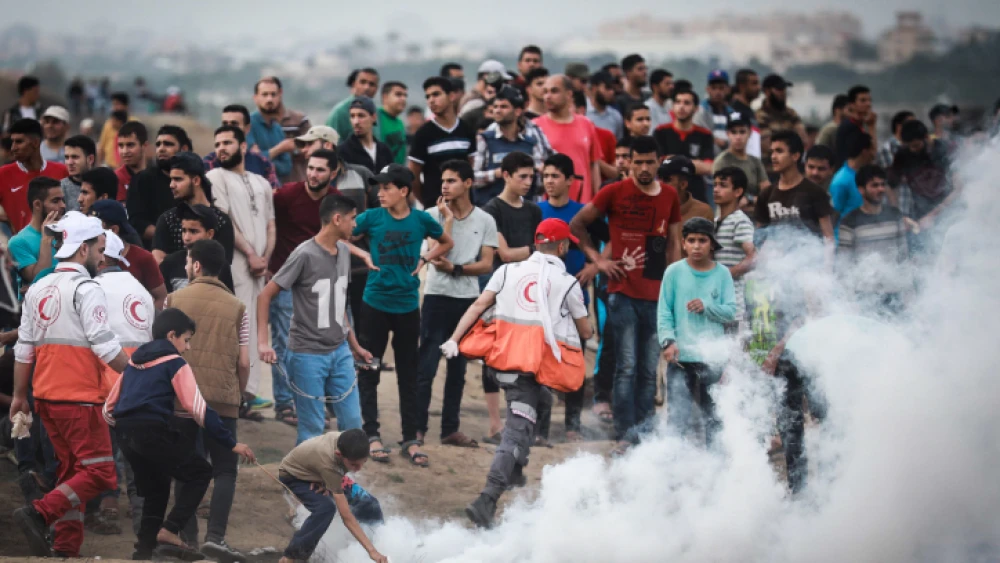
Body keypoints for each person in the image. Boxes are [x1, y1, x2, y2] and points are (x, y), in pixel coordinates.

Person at [443, 219, 592, 528]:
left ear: (536, 244)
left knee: (544, 401)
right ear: (562, 247)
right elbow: (586, 329)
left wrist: (454, 340)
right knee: (515, 431)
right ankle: (487, 499)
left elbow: (477, 305)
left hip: (500, 367)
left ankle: (515, 469)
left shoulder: (507, 270)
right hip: (526, 371)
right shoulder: (567, 283)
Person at [11, 212, 130, 558]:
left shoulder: (38, 288)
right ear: (83, 250)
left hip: (45, 398)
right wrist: (138, 371)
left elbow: (23, 347)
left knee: (71, 473)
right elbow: (105, 345)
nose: (101, 257)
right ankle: (40, 513)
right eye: (98, 249)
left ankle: (65, 546)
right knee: (103, 473)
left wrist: (20, 396)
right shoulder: (86, 289)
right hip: (80, 399)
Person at [103, 308, 255, 560]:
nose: (187, 348)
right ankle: (170, 530)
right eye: (186, 340)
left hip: (126, 435)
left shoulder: (133, 361)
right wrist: (231, 443)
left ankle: (143, 552)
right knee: (201, 472)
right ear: (172, 335)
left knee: (157, 488)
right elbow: (197, 408)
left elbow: (108, 409)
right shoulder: (175, 362)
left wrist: (124, 430)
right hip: (152, 431)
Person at [570, 135, 683, 454]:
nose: (644, 168)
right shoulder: (614, 191)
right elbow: (578, 224)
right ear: (629, 162)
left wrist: (674, 286)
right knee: (628, 365)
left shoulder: (670, 195)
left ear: (659, 162)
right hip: (620, 291)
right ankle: (624, 433)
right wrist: (599, 260)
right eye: (638, 161)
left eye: (650, 161)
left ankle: (643, 433)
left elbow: (674, 242)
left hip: (657, 292)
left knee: (650, 368)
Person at [352, 164, 454, 466]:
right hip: (374, 304)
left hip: (408, 307)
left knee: (409, 375)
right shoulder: (370, 217)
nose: (379, 193)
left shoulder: (421, 221)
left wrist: (424, 257)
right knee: (369, 370)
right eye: (378, 187)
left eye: (386, 188)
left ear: (404, 191)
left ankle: (410, 438)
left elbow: (447, 242)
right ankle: (371, 435)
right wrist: (363, 254)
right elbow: (339, 235)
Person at [163, 239, 250, 561]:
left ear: (196, 265)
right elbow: (244, 362)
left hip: (181, 400)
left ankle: (187, 538)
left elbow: (162, 350)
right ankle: (216, 537)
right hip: (223, 401)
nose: (186, 265)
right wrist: (237, 397)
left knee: (187, 468)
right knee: (225, 469)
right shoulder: (238, 306)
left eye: (188, 261)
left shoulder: (173, 300)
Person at [258, 194, 370, 444]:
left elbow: (338, 303)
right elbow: (265, 296)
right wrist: (263, 343)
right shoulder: (304, 254)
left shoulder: (343, 250)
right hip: (307, 355)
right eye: (352, 219)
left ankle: (345, 479)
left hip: (340, 352)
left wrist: (354, 345)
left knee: (352, 423)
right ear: (337, 218)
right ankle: (303, 481)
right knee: (312, 428)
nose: (355, 225)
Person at [416, 160, 498, 447]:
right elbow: (434, 258)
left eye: (451, 181)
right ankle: (417, 429)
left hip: (467, 301)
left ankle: (450, 429)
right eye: (443, 181)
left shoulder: (485, 220)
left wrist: (458, 269)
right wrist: (446, 221)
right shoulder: (431, 216)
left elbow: (487, 263)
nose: (444, 186)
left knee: (458, 369)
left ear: (468, 183)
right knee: (426, 365)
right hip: (437, 297)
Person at [206, 126, 275, 411]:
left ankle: (248, 393)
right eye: (217, 143)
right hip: (235, 265)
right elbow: (222, 220)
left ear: (243, 146)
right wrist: (249, 253)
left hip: (258, 268)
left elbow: (271, 224)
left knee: (257, 327)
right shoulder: (214, 177)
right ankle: (230, 394)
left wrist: (265, 258)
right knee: (235, 328)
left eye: (227, 142)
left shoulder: (261, 182)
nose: (221, 148)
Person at [538, 154, 603, 441]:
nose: (549, 181)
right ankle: (540, 428)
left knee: (574, 362)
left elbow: (607, 239)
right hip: (541, 301)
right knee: (540, 364)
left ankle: (573, 426)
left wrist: (595, 265)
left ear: (569, 180)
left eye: (555, 176)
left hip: (576, 300)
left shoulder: (583, 212)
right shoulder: (535, 210)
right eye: (545, 176)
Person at [481, 152, 544, 441]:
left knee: (526, 354)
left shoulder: (533, 210)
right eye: (523, 176)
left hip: (528, 288)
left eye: (531, 176)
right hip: (502, 287)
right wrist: (537, 249)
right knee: (494, 355)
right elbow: (503, 254)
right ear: (505, 175)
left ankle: (521, 419)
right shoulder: (492, 209)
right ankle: (495, 423)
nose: (529, 182)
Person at [657, 217, 736, 444]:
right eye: (691, 240)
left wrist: (707, 307)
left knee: (714, 417)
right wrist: (668, 341)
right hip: (681, 358)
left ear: (712, 244)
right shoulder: (673, 272)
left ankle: (715, 468)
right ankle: (675, 466)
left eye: (702, 240)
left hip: (713, 358)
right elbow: (664, 311)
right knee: (678, 418)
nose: (696, 246)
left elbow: (731, 311)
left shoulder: (722, 274)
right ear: (683, 244)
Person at [276, 429, 387, 563]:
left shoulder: (349, 442)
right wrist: (372, 552)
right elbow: (346, 517)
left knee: (370, 504)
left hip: (319, 472)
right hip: (294, 476)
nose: (358, 469)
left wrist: (325, 480)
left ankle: (380, 543)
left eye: (362, 462)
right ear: (339, 455)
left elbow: (338, 469)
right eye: (353, 464)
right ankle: (290, 557)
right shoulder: (330, 466)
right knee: (325, 508)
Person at [837, 165, 911, 314]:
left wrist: (909, 294)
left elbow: (903, 257)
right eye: (874, 185)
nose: (881, 189)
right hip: (864, 295)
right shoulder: (850, 221)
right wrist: (848, 299)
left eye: (883, 184)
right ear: (861, 189)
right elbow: (844, 264)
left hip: (893, 294)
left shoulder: (895, 215)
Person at [472, 86, 551, 206]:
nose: (497, 111)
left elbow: (539, 188)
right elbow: (473, 179)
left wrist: (540, 173)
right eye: (495, 107)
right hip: (491, 212)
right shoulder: (485, 139)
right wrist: (498, 173)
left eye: (503, 107)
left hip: (523, 211)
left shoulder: (531, 143)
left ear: (517, 111)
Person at [754, 130, 834, 244]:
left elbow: (828, 238)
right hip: (774, 259)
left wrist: (828, 261)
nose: (773, 157)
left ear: (795, 155)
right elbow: (760, 238)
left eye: (779, 151)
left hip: (810, 258)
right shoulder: (766, 194)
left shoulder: (815, 192)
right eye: (772, 152)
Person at [154, 152, 236, 263]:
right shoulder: (167, 219)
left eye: (178, 179)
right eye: (171, 179)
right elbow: (158, 263)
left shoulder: (221, 221)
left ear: (196, 180)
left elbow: (223, 268)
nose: (171, 185)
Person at [409, 77, 477, 210]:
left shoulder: (467, 129)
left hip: (465, 208)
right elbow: (413, 176)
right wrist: (428, 201)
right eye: (428, 97)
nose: (431, 100)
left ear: (451, 96)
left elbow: (470, 167)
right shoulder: (423, 134)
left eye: (436, 94)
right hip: (435, 208)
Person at [533, 75, 602, 203]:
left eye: (554, 91)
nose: (548, 96)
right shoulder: (535, 127)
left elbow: (594, 165)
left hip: (582, 206)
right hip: (548, 206)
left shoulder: (586, 124)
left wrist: (597, 201)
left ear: (569, 94)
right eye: (545, 92)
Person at [90, 199, 167, 308]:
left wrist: (147, 321)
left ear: (113, 230)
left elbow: (161, 297)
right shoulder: (86, 256)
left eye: (94, 228)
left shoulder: (143, 258)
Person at [127, 125, 192, 248]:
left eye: (168, 144)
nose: (161, 149)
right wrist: (173, 236)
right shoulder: (142, 179)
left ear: (184, 149)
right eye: (158, 144)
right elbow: (137, 223)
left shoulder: (195, 181)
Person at [0, 119, 68, 233]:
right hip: (20, 248)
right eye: (12, 142)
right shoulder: (3, 174)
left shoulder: (61, 171)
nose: (13, 148)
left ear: (35, 143)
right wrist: (8, 222)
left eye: (19, 142)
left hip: (56, 246)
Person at [711, 167, 756, 334]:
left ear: (738, 191)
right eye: (715, 185)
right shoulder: (716, 221)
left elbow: (753, 258)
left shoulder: (740, 221)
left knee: (730, 356)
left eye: (723, 185)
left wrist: (725, 274)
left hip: (732, 305)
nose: (716, 189)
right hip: (714, 303)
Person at [653, 89, 714, 204]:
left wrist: (673, 160)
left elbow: (708, 167)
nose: (681, 107)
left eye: (686, 103)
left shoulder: (705, 134)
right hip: (665, 194)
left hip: (696, 195)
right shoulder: (660, 131)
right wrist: (694, 164)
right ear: (672, 107)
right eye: (677, 102)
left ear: (696, 108)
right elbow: (658, 164)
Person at [204, 104, 280, 189]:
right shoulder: (209, 162)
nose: (228, 128)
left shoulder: (263, 164)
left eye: (234, 124)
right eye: (225, 124)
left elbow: (274, 195)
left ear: (247, 128)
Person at [8, 177, 65, 288]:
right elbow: (39, 281)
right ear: (37, 205)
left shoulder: (67, 233)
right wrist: (46, 240)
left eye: (63, 200)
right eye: (55, 201)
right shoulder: (18, 242)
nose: (63, 205)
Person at [712, 112, 770, 204]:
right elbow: (722, 194)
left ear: (750, 133)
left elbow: (767, 192)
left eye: (742, 132)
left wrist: (749, 200)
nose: (738, 137)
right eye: (734, 132)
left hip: (754, 213)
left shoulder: (755, 161)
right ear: (728, 134)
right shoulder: (722, 161)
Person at [250, 77, 296, 182]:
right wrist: (279, 149)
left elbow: (286, 167)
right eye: (265, 94)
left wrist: (263, 159)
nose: (269, 99)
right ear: (255, 98)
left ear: (279, 97)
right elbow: (250, 162)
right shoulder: (248, 125)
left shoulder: (277, 129)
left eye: (273, 94)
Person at [829, 131, 875, 234]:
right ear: (865, 152)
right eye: (872, 149)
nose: (874, 153)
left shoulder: (864, 174)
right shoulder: (841, 180)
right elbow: (833, 215)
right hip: (845, 240)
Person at [338, 97, 393, 174]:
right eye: (352, 116)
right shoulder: (342, 152)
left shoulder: (384, 151)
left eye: (361, 116)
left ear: (373, 117)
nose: (356, 122)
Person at [326, 68, 380, 141]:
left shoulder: (376, 112)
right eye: (363, 82)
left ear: (376, 89)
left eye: (372, 84)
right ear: (354, 84)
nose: (367, 87)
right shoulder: (340, 112)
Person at [659, 156, 713, 222]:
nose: (660, 184)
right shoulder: (650, 207)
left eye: (666, 179)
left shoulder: (703, 213)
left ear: (683, 184)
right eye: (659, 178)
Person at [835, 85, 877, 167]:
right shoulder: (850, 127)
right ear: (852, 104)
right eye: (863, 100)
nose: (868, 104)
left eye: (869, 100)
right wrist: (872, 127)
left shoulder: (860, 124)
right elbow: (871, 155)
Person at [695, 70, 734, 156]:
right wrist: (715, 140)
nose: (717, 92)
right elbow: (699, 132)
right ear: (707, 89)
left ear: (728, 89)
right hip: (707, 158)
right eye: (714, 88)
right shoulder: (701, 110)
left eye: (721, 88)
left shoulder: (731, 113)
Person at [114, 121, 149, 202]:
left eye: (130, 145)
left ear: (144, 146)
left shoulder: (156, 176)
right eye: (121, 146)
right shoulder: (116, 179)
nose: (124, 151)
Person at [374, 82, 409, 165]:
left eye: (405, 96)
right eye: (398, 94)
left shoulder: (400, 122)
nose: (403, 99)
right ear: (385, 97)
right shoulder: (376, 118)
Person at [61, 135, 96, 212]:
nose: (69, 162)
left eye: (75, 157)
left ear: (90, 159)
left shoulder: (105, 183)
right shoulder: (60, 189)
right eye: (67, 157)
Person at [585, 71, 624, 140]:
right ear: (594, 88)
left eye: (613, 89)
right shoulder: (583, 113)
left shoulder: (615, 116)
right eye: (607, 88)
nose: (611, 92)